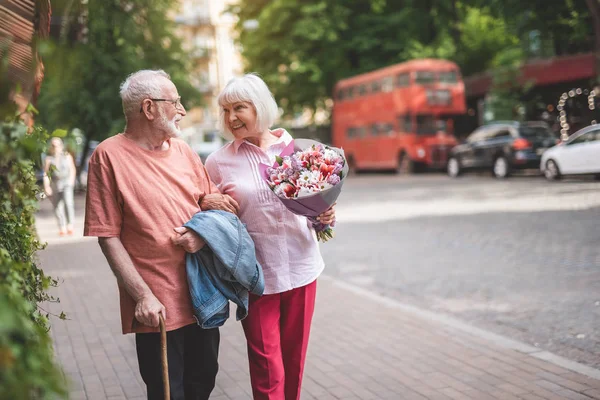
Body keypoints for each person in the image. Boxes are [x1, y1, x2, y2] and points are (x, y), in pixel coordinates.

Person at [83, 69, 239, 400]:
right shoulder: (108, 157)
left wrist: (205, 218)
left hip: (202, 292)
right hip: (157, 303)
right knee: (167, 391)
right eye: (176, 102)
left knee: (204, 381)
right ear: (149, 108)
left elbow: (205, 203)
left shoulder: (183, 151)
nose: (182, 110)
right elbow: (107, 235)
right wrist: (141, 295)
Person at [205, 73, 336, 400]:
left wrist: (325, 216)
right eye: (225, 111)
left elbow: (313, 209)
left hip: (303, 270)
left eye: (239, 108)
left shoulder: (297, 150)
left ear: (259, 107)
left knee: (294, 361)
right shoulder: (219, 162)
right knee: (267, 368)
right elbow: (209, 218)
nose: (231, 117)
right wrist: (208, 202)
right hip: (257, 278)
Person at [43, 137, 76, 236]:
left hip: (66, 183)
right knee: (57, 206)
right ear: (51, 147)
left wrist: (71, 181)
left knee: (68, 203)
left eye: (57, 145)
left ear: (61, 146)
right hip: (55, 184)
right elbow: (46, 174)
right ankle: (62, 227)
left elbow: (72, 169)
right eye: (53, 145)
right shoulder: (49, 159)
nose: (55, 147)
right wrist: (47, 187)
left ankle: (70, 225)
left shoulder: (67, 156)